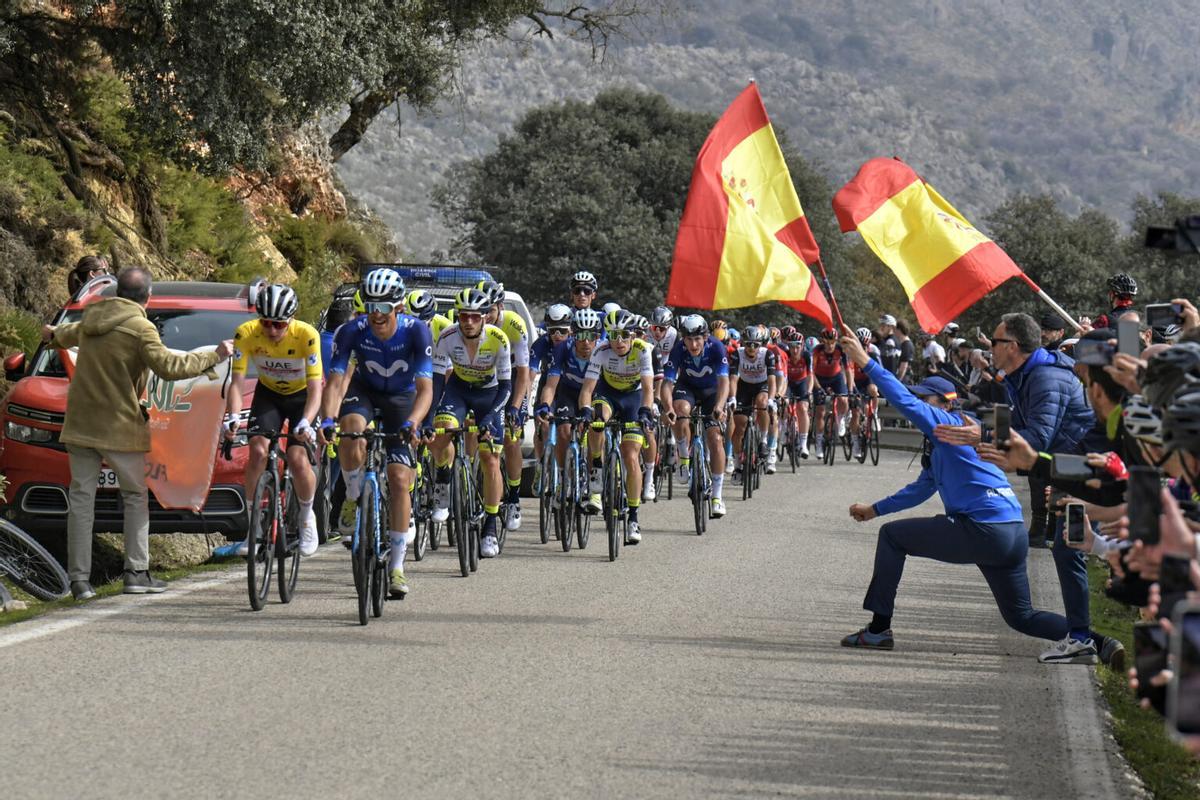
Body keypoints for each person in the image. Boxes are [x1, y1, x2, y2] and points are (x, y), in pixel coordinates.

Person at [835, 325, 1073, 653]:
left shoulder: (946, 423)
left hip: (982, 529)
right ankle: (1095, 642)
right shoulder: (959, 434)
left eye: (926, 398)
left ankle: (878, 630)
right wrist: (874, 509)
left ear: (943, 403)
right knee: (1021, 617)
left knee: (892, 537)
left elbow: (902, 399)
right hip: (1013, 531)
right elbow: (920, 490)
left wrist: (865, 361)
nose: (920, 402)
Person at [934, 312, 1119, 666]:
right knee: (1069, 550)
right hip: (1071, 471)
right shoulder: (1021, 375)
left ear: (1013, 346)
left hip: (1086, 473)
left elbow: (1035, 438)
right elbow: (1015, 421)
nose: (990, 346)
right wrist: (976, 418)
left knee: (1071, 549)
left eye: (996, 340)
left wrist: (983, 434)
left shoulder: (1046, 377)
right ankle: (1083, 636)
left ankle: (1084, 636)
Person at [43, 267, 233, 599]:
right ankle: (136, 572)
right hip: (119, 426)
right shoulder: (141, 328)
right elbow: (170, 368)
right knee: (134, 497)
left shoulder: (92, 317)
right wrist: (214, 355)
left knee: (82, 501)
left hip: (81, 424)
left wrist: (51, 335)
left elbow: (64, 335)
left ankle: (79, 582)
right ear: (147, 298)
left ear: (117, 293)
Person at [319, 268, 433, 597]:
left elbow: (426, 389)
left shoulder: (417, 331)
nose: (376, 315)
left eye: (383, 308)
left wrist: (414, 422)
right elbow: (337, 381)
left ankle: (397, 566)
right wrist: (328, 418)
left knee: (399, 479)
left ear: (398, 307)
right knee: (350, 429)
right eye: (371, 307)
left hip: (403, 397)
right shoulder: (352, 330)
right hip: (364, 391)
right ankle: (354, 497)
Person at [224, 284, 323, 558]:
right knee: (257, 450)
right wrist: (233, 416)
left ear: (290, 319)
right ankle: (253, 528)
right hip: (268, 395)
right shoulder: (246, 333)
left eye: (279, 325)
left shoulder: (306, 335)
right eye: (266, 323)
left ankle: (306, 517)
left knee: (297, 457)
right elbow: (237, 382)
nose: (272, 330)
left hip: (302, 397)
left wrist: (307, 421)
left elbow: (316, 387)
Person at [429, 287, 511, 558]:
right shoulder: (447, 336)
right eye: (464, 316)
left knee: (490, 459)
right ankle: (442, 478)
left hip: (491, 394)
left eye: (475, 317)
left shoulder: (499, 339)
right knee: (443, 430)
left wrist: (490, 416)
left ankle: (489, 525)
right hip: (459, 390)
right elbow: (438, 380)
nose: (469, 322)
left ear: (485, 317)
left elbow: (507, 386)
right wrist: (430, 416)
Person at [577, 309, 655, 543]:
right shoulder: (601, 351)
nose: (618, 341)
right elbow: (587, 391)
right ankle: (598, 469)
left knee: (631, 456)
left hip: (633, 399)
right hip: (608, 395)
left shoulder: (643, 349)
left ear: (632, 335)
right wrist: (585, 411)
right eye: (613, 335)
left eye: (623, 335)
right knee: (598, 419)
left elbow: (649, 389)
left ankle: (633, 516)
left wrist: (645, 411)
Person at [662, 314, 730, 517]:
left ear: (706, 337)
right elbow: (667, 384)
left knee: (715, 438)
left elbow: (724, 382)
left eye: (697, 339)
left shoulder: (717, 347)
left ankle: (717, 496)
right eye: (689, 339)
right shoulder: (678, 349)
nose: (693, 344)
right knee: (680, 410)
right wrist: (668, 408)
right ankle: (684, 457)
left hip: (712, 392)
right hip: (687, 388)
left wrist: (720, 406)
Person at [477, 280, 531, 532]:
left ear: (499, 307)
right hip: (485, 384)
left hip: (512, 385)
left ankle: (513, 498)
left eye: (489, 310)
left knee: (510, 439)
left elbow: (523, 373)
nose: (484, 316)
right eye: (481, 310)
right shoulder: (472, 324)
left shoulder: (514, 325)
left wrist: (516, 407)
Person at [728, 325, 775, 482]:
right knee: (739, 426)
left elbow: (772, 380)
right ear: (743, 344)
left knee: (762, 403)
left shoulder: (767, 354)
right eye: (748, 344)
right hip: (744, 386)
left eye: (755, 344)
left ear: (760, 344)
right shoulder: (737, 354)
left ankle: (762, 440)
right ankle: (737, 466)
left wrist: (771, 400)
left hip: (762, 385)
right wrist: (732, 398)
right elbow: (733, 379)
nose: (752, 348)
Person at [811, 327, 849, 458]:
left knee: (844, 399)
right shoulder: (817, 351)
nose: (829, 345)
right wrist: (818, 388)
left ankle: (841, 419)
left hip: (836, 377)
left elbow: (848, 370)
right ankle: (819, 442)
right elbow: (811, 372)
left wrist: (849, 389)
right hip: (819, 379)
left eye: (832, 342)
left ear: (836, 341)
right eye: (826, 342)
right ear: (822, 341)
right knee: (820, 411)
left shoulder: (840, 350)